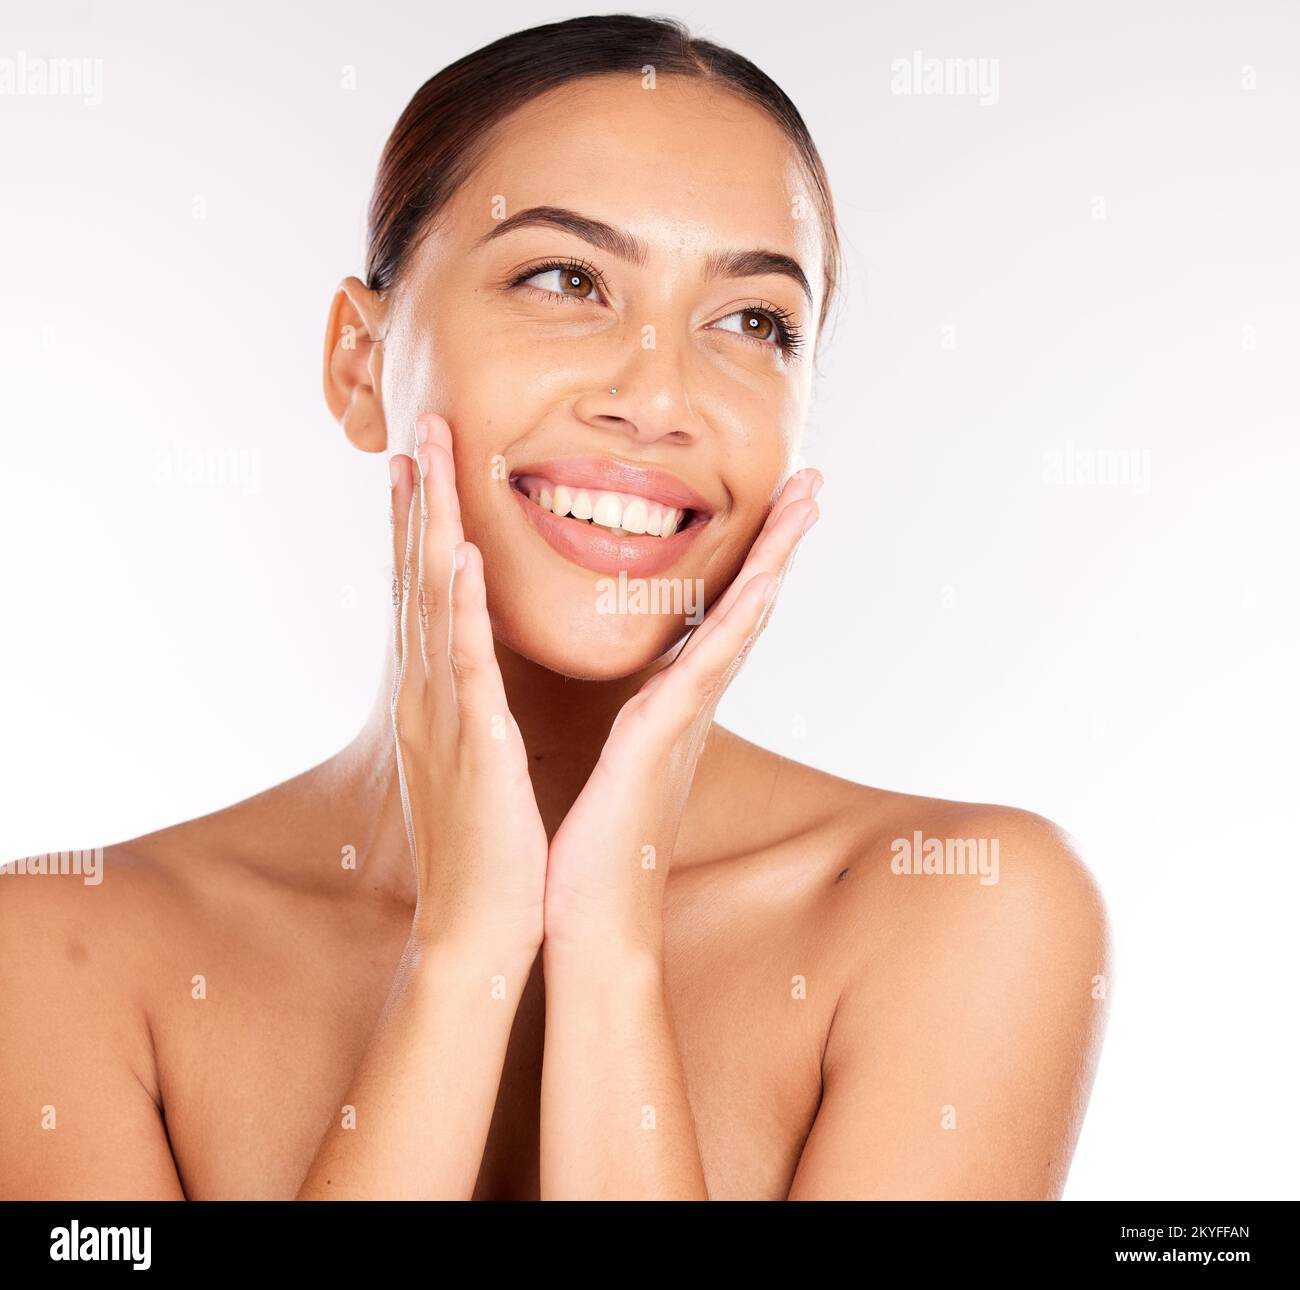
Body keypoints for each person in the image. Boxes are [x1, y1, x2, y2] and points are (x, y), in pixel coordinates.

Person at [0, 14, 1109, 1200]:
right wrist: (465, 951)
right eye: (564, 278)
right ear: (359, 364)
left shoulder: (964, 911)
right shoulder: (57, 954)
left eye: (753, 322)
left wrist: (610, 948)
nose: (658, 394)